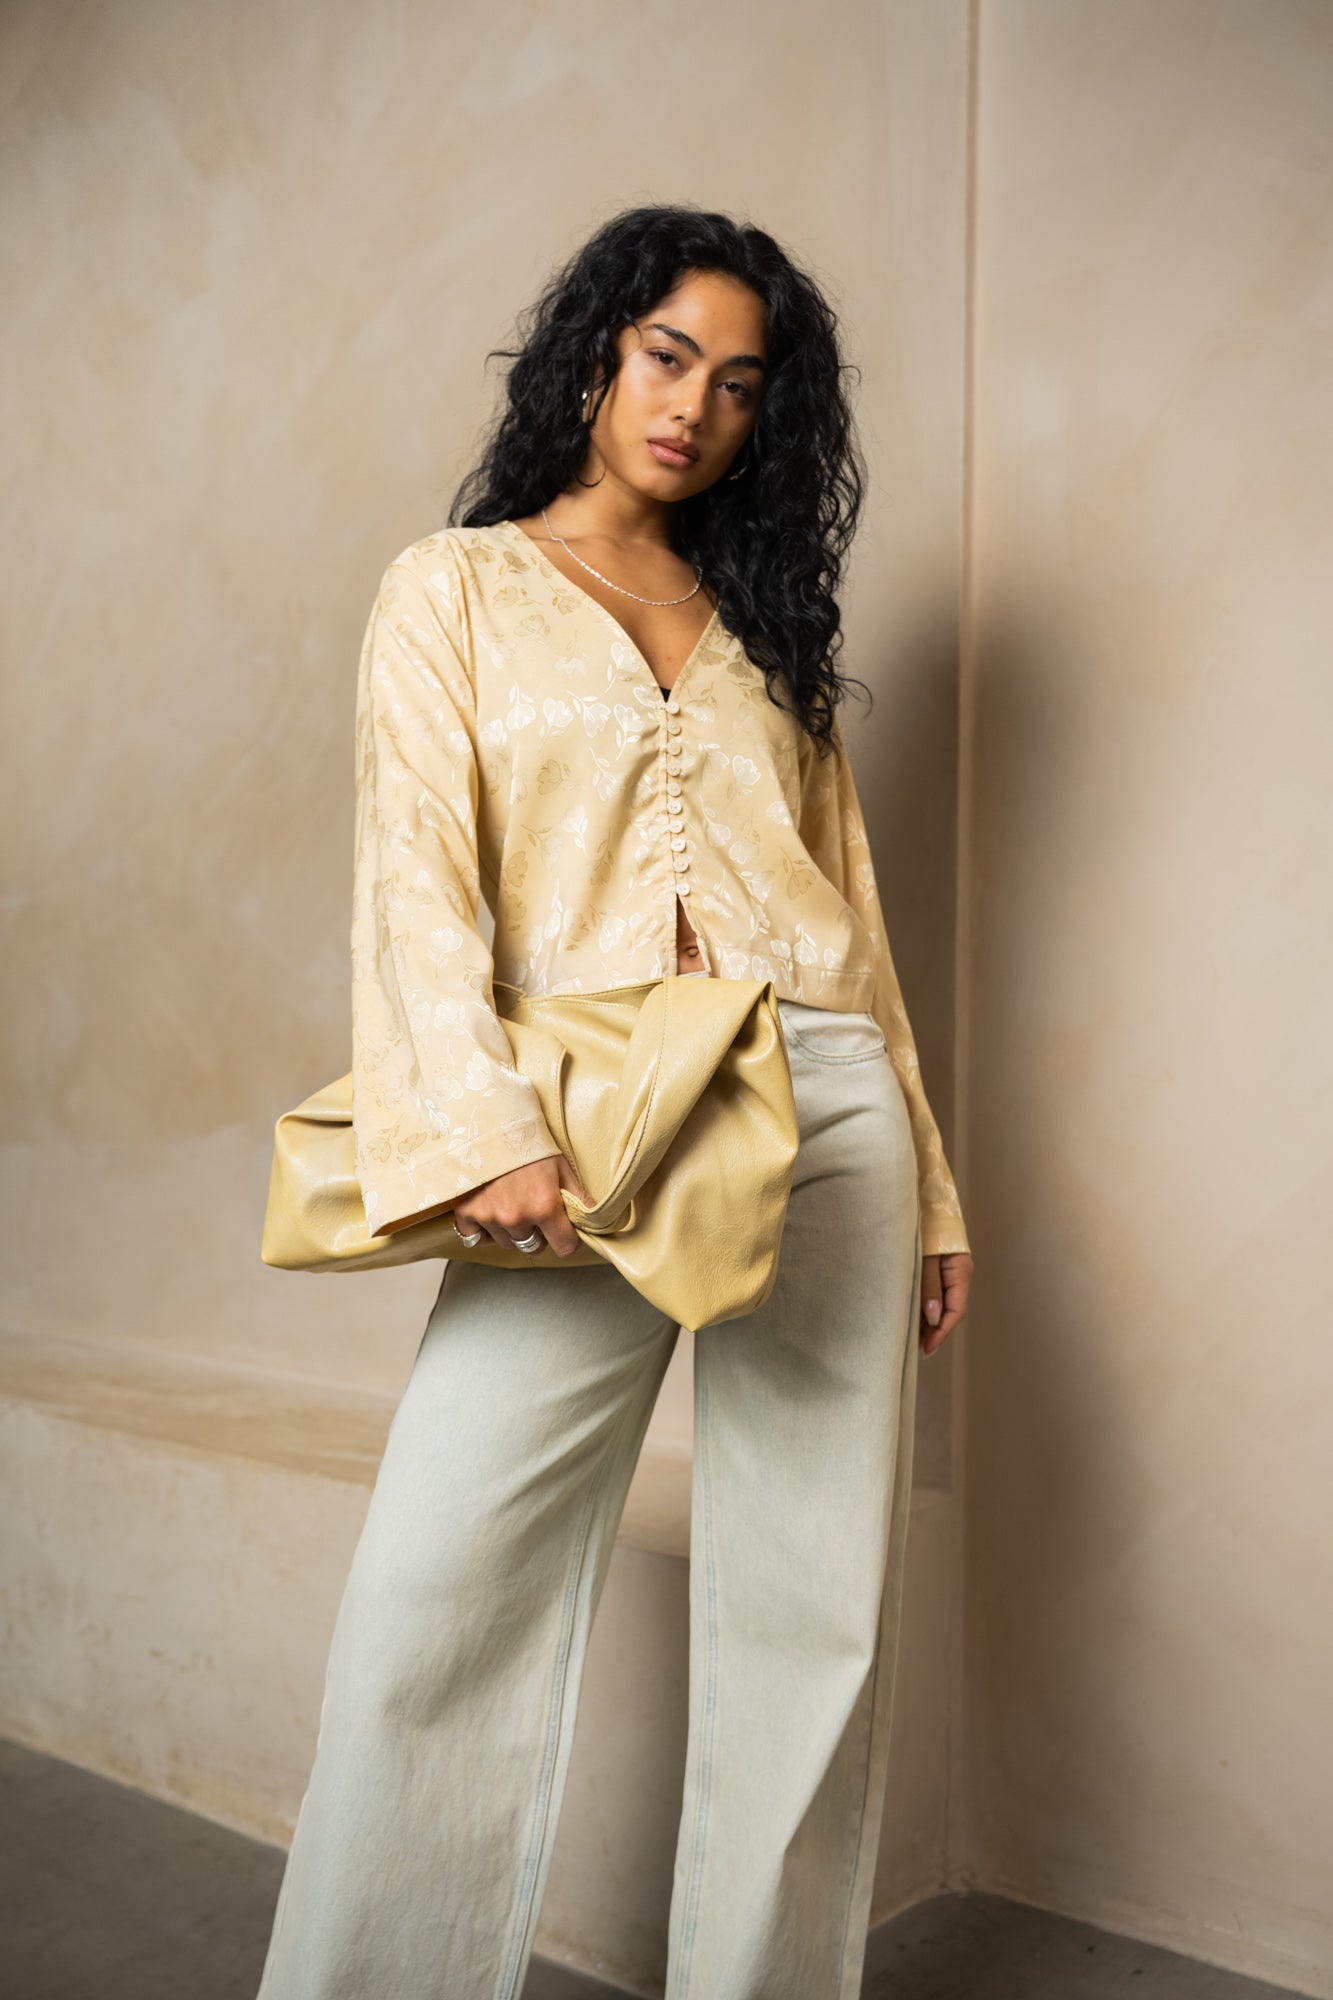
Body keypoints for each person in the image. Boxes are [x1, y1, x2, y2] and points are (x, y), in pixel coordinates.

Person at [256, 203, 974, 2000]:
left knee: (814, 1613)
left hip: (828, 1108)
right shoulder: (454, 588)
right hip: (579, 1122)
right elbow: (414, 880)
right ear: (593, 352)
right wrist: (482, 1122)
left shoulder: (765, 631)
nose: (692, 408)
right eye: (666, 357)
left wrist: (935, 1185)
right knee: (440, 1588)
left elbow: (853, 922)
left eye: (738, 385)